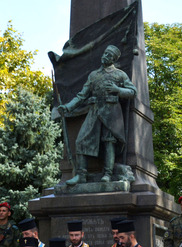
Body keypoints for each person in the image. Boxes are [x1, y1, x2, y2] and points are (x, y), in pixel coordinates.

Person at [56, 44, 137, 184]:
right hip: (94, 111)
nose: (105, 57)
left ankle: (108, 173)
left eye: (109, 56)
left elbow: (133, 91)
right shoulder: (94, 75)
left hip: (111, 112)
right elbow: (82, 96)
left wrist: (117, 89)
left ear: (113, 59)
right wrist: (68, 107)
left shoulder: (120, 74)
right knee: (81, 140)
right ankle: (81, 175)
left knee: (109, 142)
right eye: (105, 53)